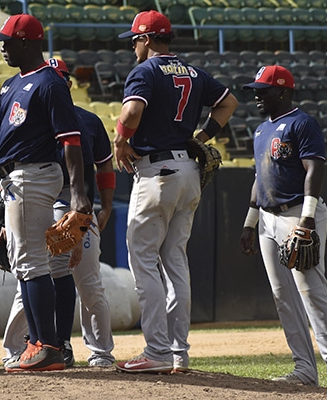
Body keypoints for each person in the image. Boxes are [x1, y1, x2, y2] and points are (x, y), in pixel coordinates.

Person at [0, 14, 92, 372]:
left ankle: (47, 345)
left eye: (7, 41)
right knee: (25, 263)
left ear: (26, 42)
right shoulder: (10, 85)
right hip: (16, 177)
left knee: (31, 262)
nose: (2, 47)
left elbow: (70, 141)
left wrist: (79, 193)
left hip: (33, 175)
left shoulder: (50, 83)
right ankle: (38, 343)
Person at [111, 10, 238, 374]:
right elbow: (228, 103)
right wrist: (202, 136)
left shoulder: (145, 71)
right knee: (176, 262)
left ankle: (156, 350)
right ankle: (179, 352)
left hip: (157, 173)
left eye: (135, 39)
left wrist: (120, 140)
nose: (133, 46)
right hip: (187, 170)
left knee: (144, 260)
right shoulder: (194, 72)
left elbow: (132, 111)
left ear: (146, 38)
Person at [238, 65, 327, 389]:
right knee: (282, 296)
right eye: (256, 90)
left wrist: (308, 217)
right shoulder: (261, 130)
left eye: (264, 90)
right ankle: (304, 369)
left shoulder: (302, 123)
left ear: (284, 91)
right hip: (267, 219)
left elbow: (314, 169)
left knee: (311, 291)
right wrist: (250, 223)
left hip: (298, 213)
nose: (257, 96)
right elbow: (260, 179)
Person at [1, 58, 116, 369]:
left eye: (60, 76)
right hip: (35, 203)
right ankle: (19, 348)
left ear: (68, 83)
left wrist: (101, 208)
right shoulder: (30, 120)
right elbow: (11, 165)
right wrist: (5, 215)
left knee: (89, 284)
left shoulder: (87, 120)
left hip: (72, 205)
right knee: (30, 275)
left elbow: (102, 164)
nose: (55, 82)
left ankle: (100, 352)